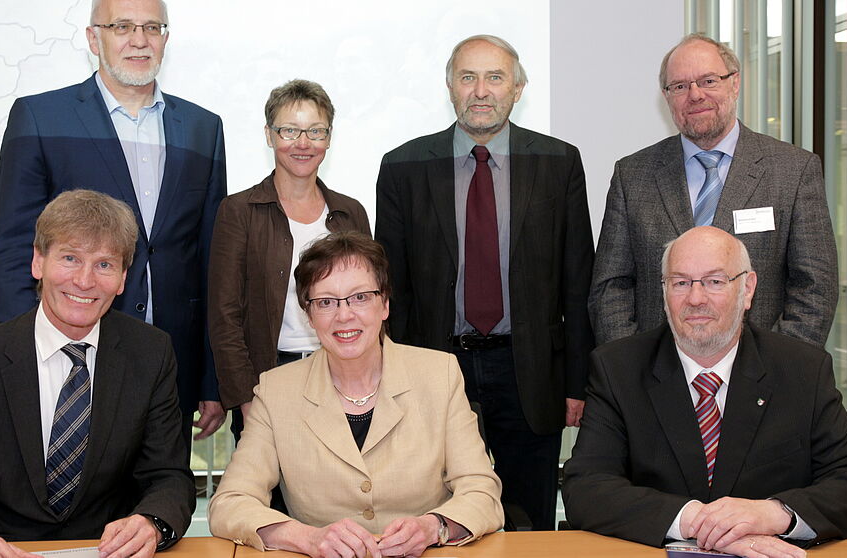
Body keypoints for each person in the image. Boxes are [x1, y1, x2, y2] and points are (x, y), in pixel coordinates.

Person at [0, 190, 196, 558]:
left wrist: (151, 521)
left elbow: (169, 477)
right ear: (38, 262)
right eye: (70, 258)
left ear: (122, 279)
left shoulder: (150, 354)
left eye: (104, 265)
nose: (85, 281)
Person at [374, 34, 594, 530]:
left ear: (517, 88)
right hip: (434, 369)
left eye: (494, 77)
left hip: (530, 370)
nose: (481, 91)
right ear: (449, 86)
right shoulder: (403, 166)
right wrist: (394, 377)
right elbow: (393, 290)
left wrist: (578, 382)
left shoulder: (559, 163)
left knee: (527, 521)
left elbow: (578, 283)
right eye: (467, 77)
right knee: (435, 518)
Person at [563, 226, 847, 557]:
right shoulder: (618, 369)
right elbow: (586, 487)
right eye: (681, 282)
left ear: (747, 289)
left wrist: (774, 514)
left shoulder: (801, 369)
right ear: (663, 291)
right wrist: (696, 522)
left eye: (715, 282)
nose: (696, 298)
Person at [0, 0, 226, 443]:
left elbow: (210, 260)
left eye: (152, 27)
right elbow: (14, 251)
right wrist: (25, 359)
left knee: (160, 499)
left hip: (173, 366)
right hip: (71, 358)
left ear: (166, 40)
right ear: (93, 37)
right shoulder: (41, 117)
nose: (139, 40)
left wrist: (212, 379)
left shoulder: (202, 127)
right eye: (122, 26)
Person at [207, 232, 503, 558]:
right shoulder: (277, 392)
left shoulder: (440, 375)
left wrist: (433, 527)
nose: (344, 315)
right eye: (326, 302)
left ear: (385, 303)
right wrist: (306, 538)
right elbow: (229, 503)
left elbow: (482, 491)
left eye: (360, 297)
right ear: (308, 315)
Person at [589, 33, 837, 348]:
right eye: (679, 86)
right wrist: (632, 370)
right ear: (666, 97)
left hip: (762, 378)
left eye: (708, 81)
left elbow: (815, 288)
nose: (694, 95)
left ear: (734, 83)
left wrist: (776, 370)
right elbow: (611, 288)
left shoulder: (793, 171)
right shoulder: (633, 175)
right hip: (656, 381)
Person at [207, 79, 370, 444]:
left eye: (315, 131)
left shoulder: (350, 213)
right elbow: (224, 316)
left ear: (329, 137)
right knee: (274, 497)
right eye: (290, 130)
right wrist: (247, 399)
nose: (303, 143)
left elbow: (369, 305)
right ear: (269, 135)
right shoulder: (238, 212)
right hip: (269, 378)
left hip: (342, 374)